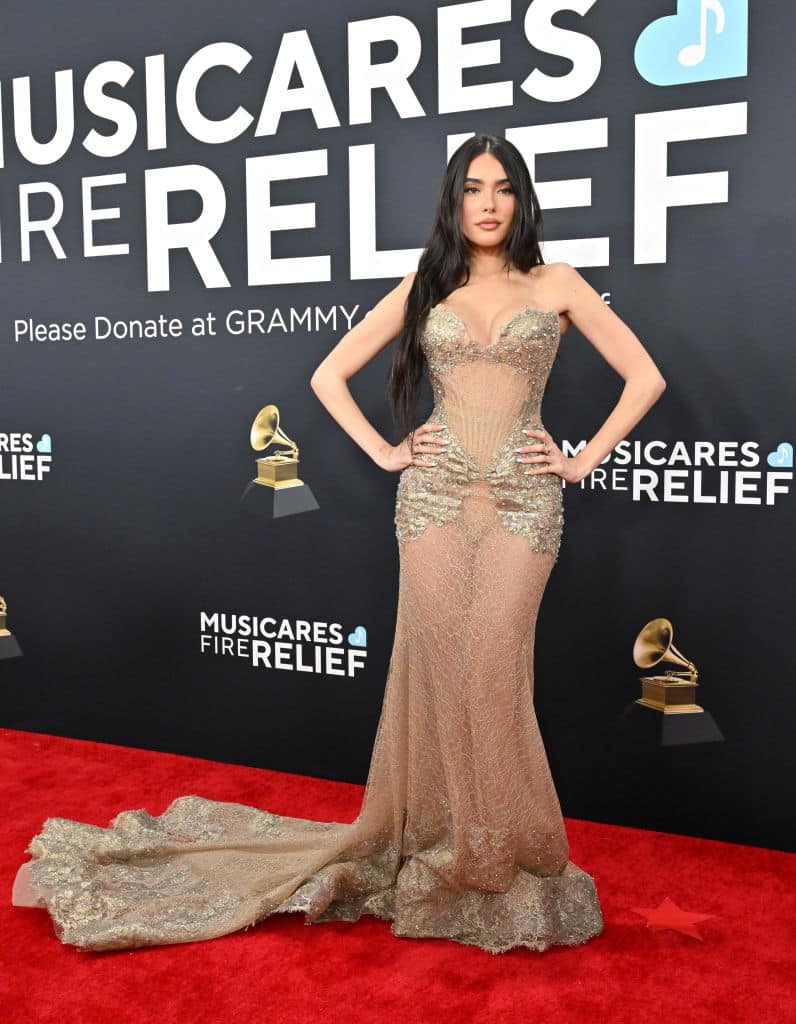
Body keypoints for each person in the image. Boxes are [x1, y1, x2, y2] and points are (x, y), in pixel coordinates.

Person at [11, 133, 665, 954]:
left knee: (492, 666)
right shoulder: (428, 286)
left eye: (502, 187)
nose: (489, 202)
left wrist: (580, 459)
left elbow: (646, 376)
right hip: (429, 503)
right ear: (453, 200)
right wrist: (389, 451)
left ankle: (498, 853)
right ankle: (453, 844)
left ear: (522, 198)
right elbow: (329, 374)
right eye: (473, 187)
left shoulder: (558, 284)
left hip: (524, 505)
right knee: (441, 670)